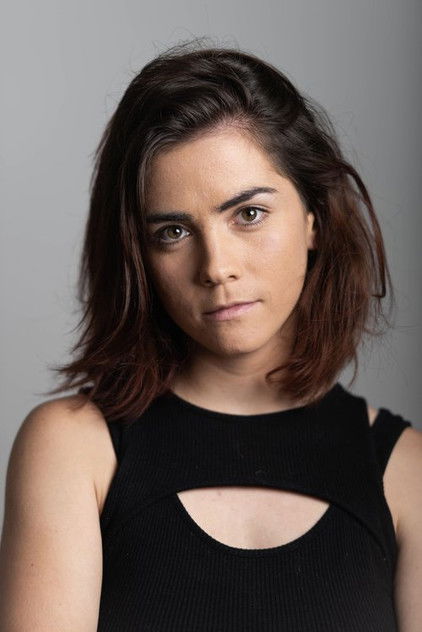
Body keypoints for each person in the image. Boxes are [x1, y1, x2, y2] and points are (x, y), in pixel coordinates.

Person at [0, 37, 420, 631]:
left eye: (248, 214)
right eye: (173, 232)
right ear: (139, 255)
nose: (216, 267)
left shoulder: (406, 472)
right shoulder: (74, 449)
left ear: (314, 220)